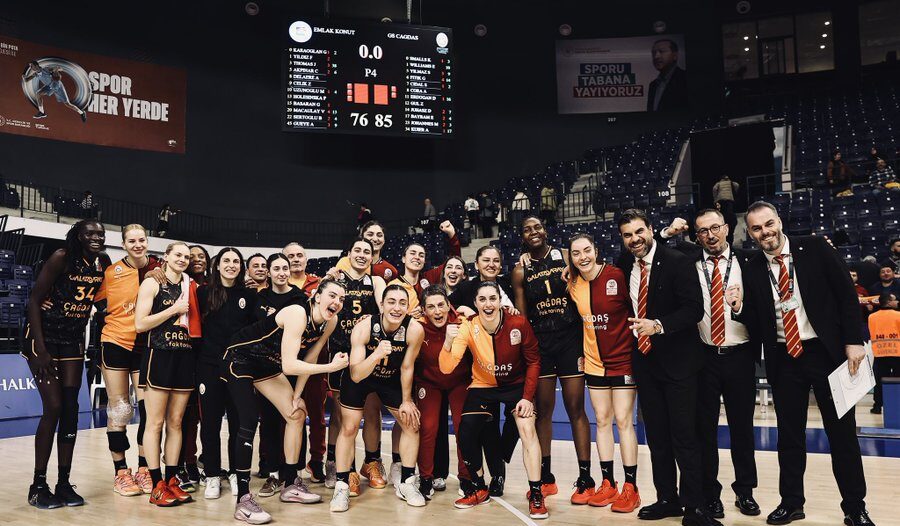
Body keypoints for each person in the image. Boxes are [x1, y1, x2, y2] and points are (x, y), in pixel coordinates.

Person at [735, 200, 874, 526]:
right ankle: (792, 503)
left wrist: (854, 341)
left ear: (779, 221)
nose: (765, 232)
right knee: (789, 437)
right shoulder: (752, 267)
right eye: (757, 228)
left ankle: (855, 507)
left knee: (842, 436)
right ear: (751, 233)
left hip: (827, 353)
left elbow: (846, 294)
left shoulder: (815, 247)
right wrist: (739, 308)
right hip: (785, 358)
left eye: (769, 224)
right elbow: (756, 320)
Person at [615, 209, 715, 526]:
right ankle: (667, 499)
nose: (635, 239)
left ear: (650, 229)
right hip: (646, 364)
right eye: (628, 235)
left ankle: (695, 507)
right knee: (657, 438)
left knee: (685, 438)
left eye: (639, 231)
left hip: (680, 363)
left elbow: (694, 310)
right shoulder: (624, 265)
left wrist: (657, 325)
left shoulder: (677, 261)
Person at [659, 212, 761, 518]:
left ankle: (745, 492)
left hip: (740, 354)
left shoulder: (749, 261)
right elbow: (656, 252)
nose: (710, 235)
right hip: (702, 357)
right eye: (703, 231)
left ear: (727, 228)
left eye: (715, 228)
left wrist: (741, 307)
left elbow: (761, 310)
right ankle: (710, 494)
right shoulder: (686, 260)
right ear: (697, 236)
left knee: (742, 429)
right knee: (703, 431)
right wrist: (667, 233)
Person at [223, 280, 349, 524]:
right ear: (317, 296)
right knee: (249, 420)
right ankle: (243, 499)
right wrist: (331, 367)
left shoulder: (330, 321)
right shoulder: (297, 313)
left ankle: (290, 483)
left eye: (341, 299)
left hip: (266, 364)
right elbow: (290, 365)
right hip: (239, 358)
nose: (337, 302)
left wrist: (297, 395)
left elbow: (310, 356)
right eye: (332, 295)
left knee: (296, 414)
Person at [441, 281, 547, 518]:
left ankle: (536, 493)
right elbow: (447, 368)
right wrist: (447, 342)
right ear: (475, 303)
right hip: (483, 385)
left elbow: (533, 361)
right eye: (482, 299)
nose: (488, 304)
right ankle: (479, 488)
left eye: (492, 298)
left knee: (527, 429)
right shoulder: (468, 327)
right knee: (466, 430)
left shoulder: (518, 323)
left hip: (516, 386)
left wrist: (527, 398)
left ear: (500, 301)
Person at [23, 219, 109, 509]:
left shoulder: (103, 262)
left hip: (72, 339)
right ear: (78, 236)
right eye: (90, 233)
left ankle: (63, 483)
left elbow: (101, 301)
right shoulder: (62, 257)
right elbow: (34, 301)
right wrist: (40, 349)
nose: (96, 237)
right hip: (44, 339)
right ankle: (38, 486)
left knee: (71, 410)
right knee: (55, 407)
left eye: (100, 234)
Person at [511, 217, 592, 503]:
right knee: (543, 412)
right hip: (542, 345)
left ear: (545, 230)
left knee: (575, 409)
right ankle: (546, 478)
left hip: (570, 340)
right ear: (522, 236)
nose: (533, 232)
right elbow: (522, 317)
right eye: (527, 229)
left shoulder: (568, 256)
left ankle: (585, 478)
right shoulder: (520, 270)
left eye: (537, 227)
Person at [330, 285, 426, 512]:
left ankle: (407, 482)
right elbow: (356, 374)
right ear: (381, 305)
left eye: (402, 303)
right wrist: (376, 354)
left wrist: (407, 400)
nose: (397, 308)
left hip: (390, 378)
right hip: (361, 377)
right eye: (391, 302)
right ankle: (342, 486)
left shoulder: (414, 330)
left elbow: (407, 367)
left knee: (411, 423)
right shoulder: (364, 327)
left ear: (408, 307)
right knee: (349, 427)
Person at [566, 233, 641, 512]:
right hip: (594, 363)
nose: (583, 257)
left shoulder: (617, 276)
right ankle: (608, 483)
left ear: (596, 251)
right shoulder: (573, 284)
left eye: (587, 250)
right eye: (576, 253)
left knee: (623, 420)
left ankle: (631, 487)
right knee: (601, 420)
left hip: (623, 360)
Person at [94, 224, 163, 497]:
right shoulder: (112, 273)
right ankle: (121, 471)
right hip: (115, 342)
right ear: (123, 244)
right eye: (131, 241)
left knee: (148, 410)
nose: (137, 245)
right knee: (120, 408)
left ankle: (145, 468)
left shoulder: (159, 270)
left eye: (141, 240)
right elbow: (90, 296)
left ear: (148, 242)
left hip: (145, 346)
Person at [134, 241, 197, 507]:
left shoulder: (191, 286)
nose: (182, 259)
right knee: (155, 423)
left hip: (184, 357)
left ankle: (171, 480)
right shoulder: (152, 283)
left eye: (186, 257)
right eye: (178, 255)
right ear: (166, 257)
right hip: (158, 356)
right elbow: (140, 324)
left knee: (176, 422)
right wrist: (173, 310)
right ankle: (156, 484)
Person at [196, 248, 259, 499]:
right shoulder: (203, 293)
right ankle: (212, 474)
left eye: (236, 261)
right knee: (210, 423)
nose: (231, 265)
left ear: (241, 267)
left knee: (237, 422)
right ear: (217, 265)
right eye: (226, 261)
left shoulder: (249, 295)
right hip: (209, 365)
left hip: (238, 367)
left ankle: (235, 472)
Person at [324, 239, 387, 491]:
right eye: (357, 250)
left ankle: (372, 462)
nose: (362, 255)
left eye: (367, 252)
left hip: (368, 353)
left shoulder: (376, 282)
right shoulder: (336, 280)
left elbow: (383, 308)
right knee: (342, 415)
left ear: (372, 256)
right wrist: (325, 280)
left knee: (372, 410)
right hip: (340, 352)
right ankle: (343, 467)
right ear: (348, 254)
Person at [254, 253, 307, 492]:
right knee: (269, 421)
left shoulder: (299, 298)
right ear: (269, 272)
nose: (282, 273)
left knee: (296, 415)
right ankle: (273, 473)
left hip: (293, 365)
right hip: (266, 368)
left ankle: (293, 473)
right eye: (276, 268)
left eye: (285, 268)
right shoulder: (260, 298)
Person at [415, 285, 472, 498]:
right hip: (429, 382)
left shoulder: (463, 322)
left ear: (449, 305)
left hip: (459, 381)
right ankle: (426, 478)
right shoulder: (417, 327)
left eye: (441, 305)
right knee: (428, 427)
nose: (437, 311)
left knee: (463, 427)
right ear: (424, 310)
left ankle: (467, 477)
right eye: (431, 307)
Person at [23, 60, 87, 122]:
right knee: (38, 94)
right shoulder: (36, 74)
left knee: (67, 104)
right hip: (49, 86)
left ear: (36, 65)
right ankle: (42, 112)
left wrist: (56, 69)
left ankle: (82, 112)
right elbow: (26, 80)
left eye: (31, 66)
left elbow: (60, 68)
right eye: (30, 66)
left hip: (57, 86)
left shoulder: (46, 69)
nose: (31, 68)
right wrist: (24, 77)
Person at [869, 291, 900, 416]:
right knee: (898, 380)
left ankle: (877, 406)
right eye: (894, 299)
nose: (897, 301)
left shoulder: (871, 317)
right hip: (897, 352)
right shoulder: (898, 315)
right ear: (888, 302)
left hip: (879, 352)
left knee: (879, 381)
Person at [335, 220, 399, 281]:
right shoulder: (345, 262)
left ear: (384, 240)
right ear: (362, 237)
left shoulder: (390, 270)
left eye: (379, 235)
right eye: (370, 234)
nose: (375, 239)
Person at [647, 39, 688, 112]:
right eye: (653, 53)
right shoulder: (653, 85)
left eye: (662, 51)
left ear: (675, 55)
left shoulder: (685, 79)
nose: (656, 56)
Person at [712, 175, 739, 244]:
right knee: (729, 211)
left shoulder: (719, 183)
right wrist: (734, 192)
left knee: (723, 212)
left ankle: (723, 218)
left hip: (721, 199)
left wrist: (716, 198)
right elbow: (737, 185)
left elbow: (714, 189)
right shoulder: (731, 182)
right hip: (729, 199)